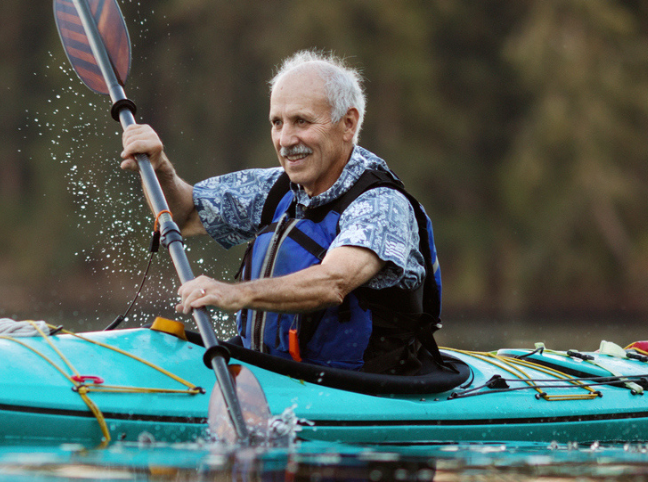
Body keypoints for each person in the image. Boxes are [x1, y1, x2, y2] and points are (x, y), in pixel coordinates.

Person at [119, 50, 441, 375]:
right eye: (277, 123)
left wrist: (235, 293)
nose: (285, 139)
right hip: (270, 373)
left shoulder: (381, 203)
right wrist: (160, 167)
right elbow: (184, 216)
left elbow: (333, 282)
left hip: (361, 386)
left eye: (301, 121)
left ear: (348, 123)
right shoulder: (275, 189)